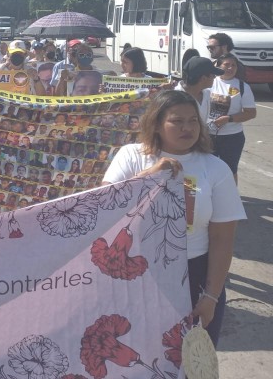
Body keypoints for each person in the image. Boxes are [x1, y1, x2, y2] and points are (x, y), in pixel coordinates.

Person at [102, 90, 245, 347]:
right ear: (156, 124)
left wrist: (211, 296)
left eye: (192, 121)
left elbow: (223, 239)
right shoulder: (131, 155)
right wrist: (150, 175)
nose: (187, 127)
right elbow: (106, 206)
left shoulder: (215, 168)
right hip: (136, 275)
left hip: (195, 276)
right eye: (177, 121)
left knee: (190, 360)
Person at [206, 53, 256, 183]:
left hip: (232, 137)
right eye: (226, 64)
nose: (230, 68)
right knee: (205, 167)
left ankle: (231, 198)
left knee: (230, 169)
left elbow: (251, 113)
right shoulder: (209, 82)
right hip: (207, 135)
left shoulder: (242, 87)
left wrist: (229, 119)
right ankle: (206, 197)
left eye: (233, 65)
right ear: (218, 65)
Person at [177, 57, 224, 121]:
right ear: (203, 78)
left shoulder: (207, 94)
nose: (215, 77)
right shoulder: (175, 97)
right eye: (213, 75)